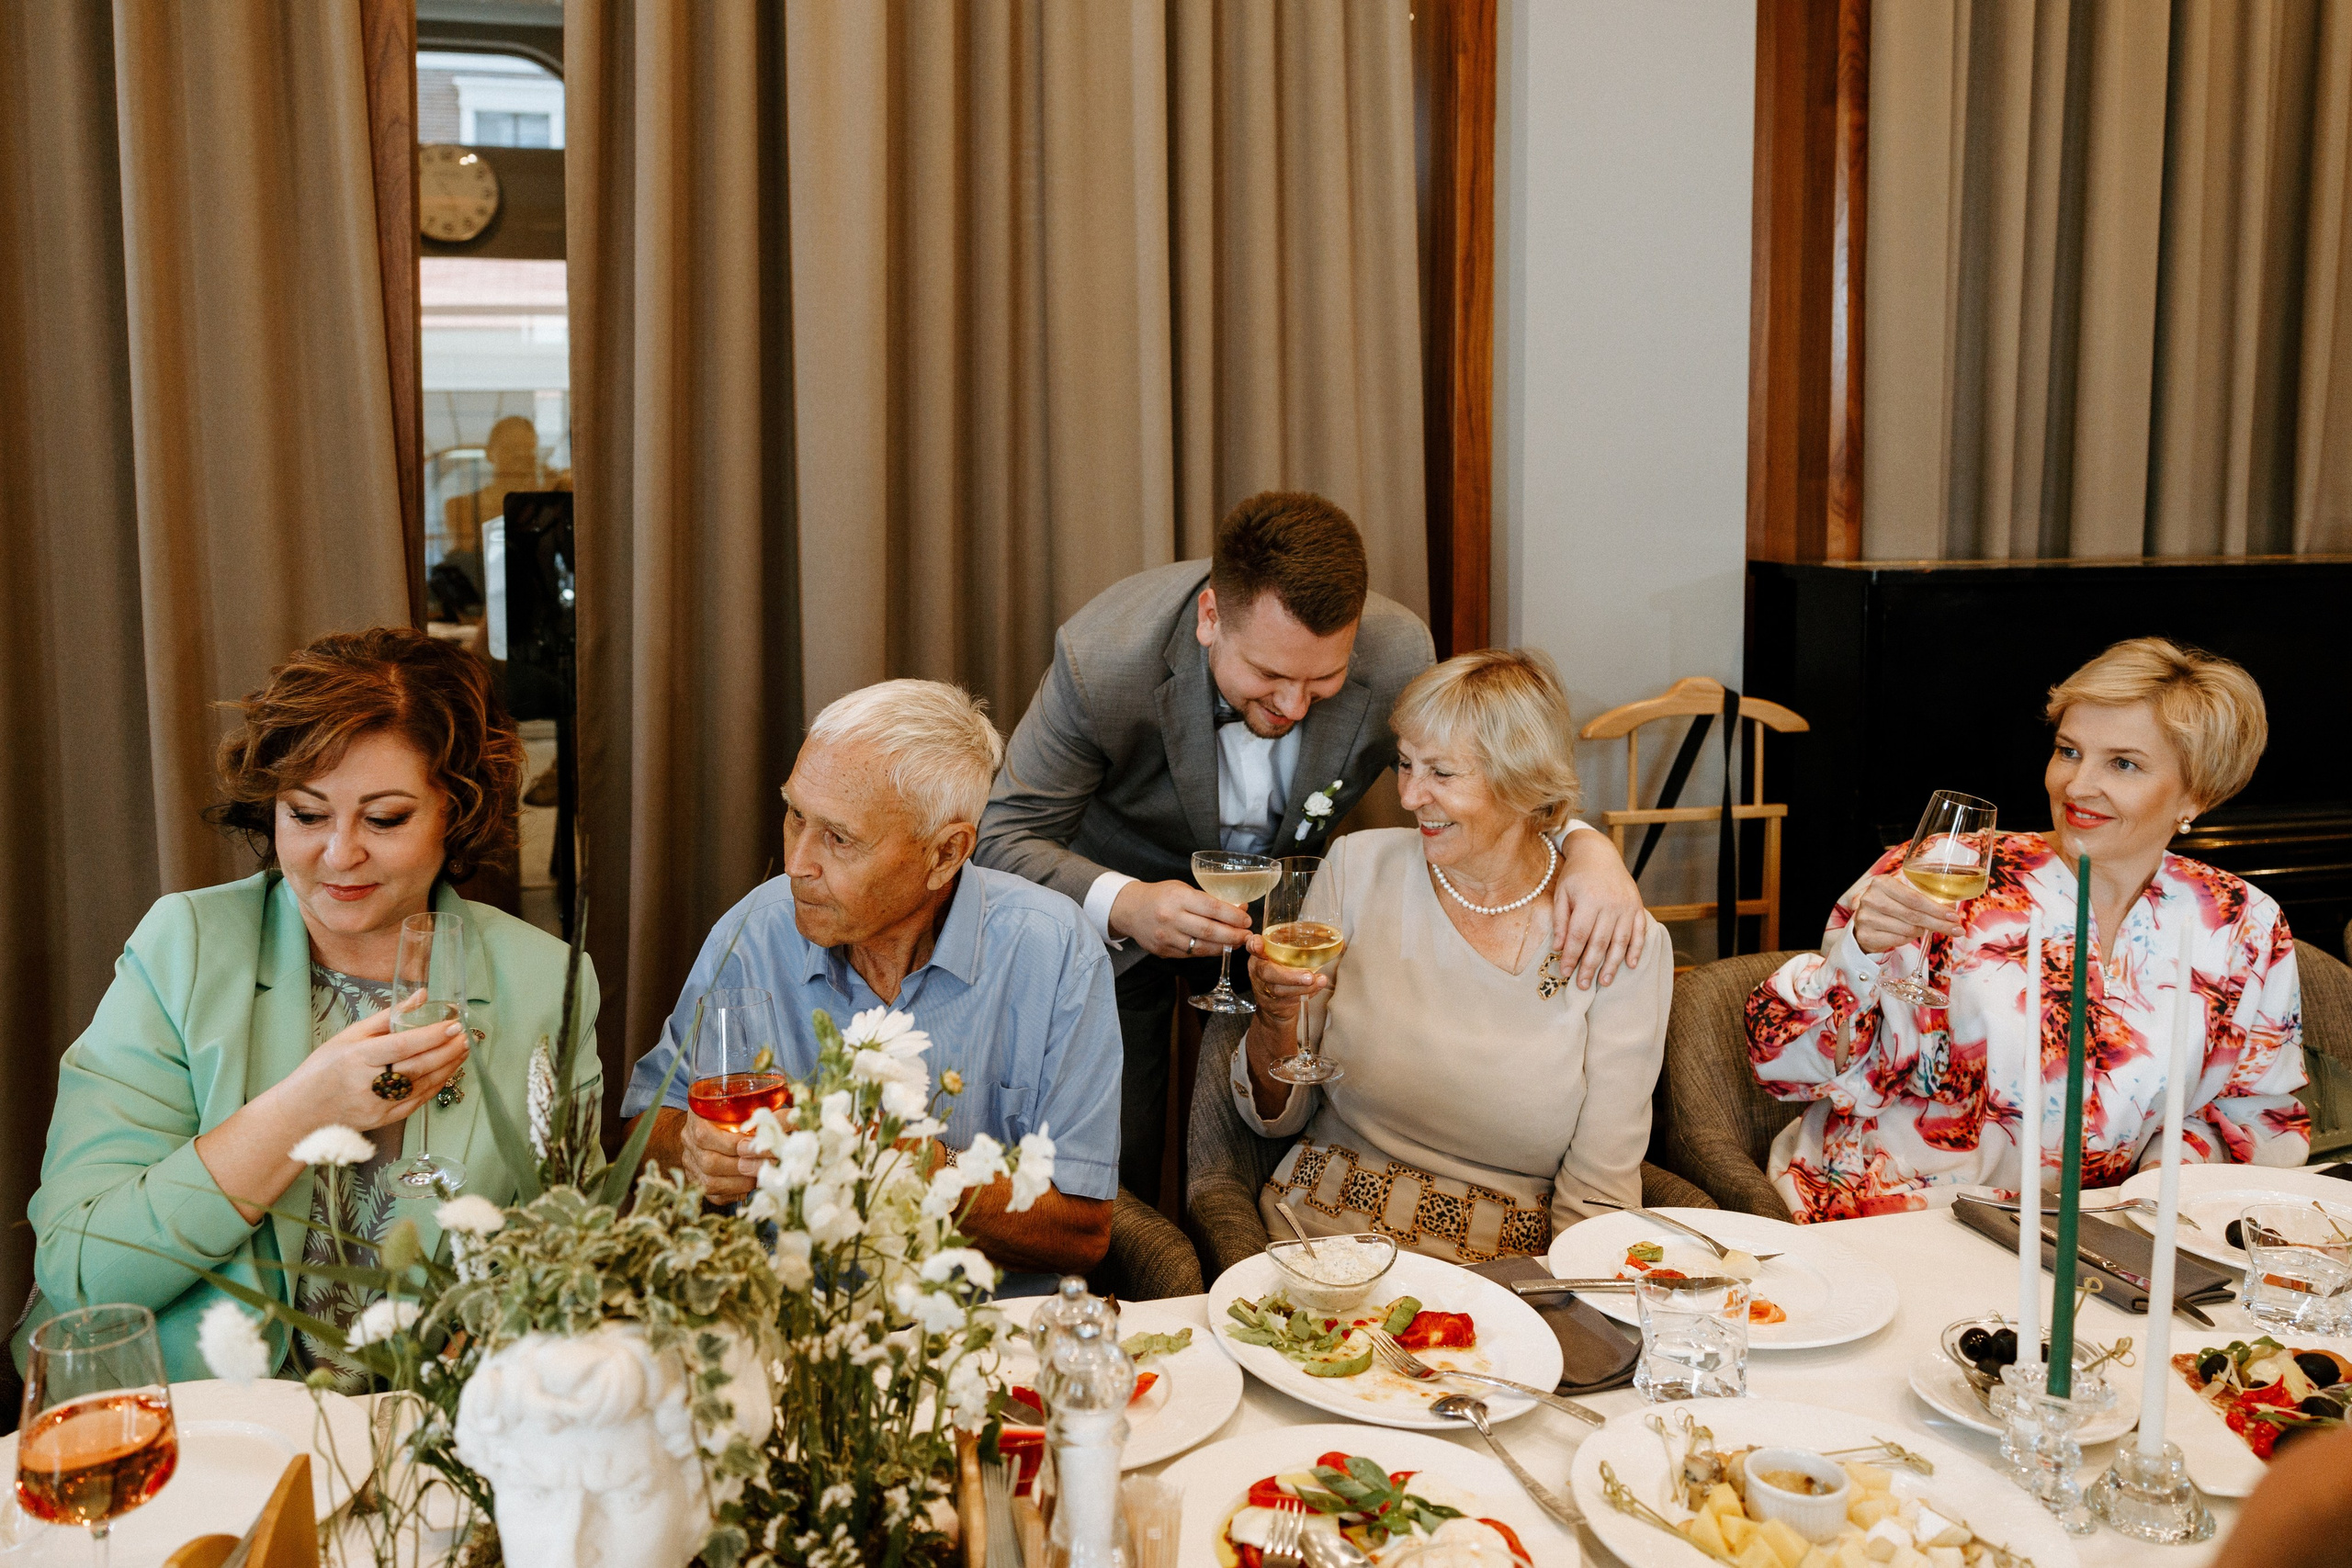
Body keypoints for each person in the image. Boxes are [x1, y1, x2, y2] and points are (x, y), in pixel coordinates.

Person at [977, 491, 1647, 1201]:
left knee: (1268, 1129)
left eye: (1322, 679)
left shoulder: (1397, 653)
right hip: (1121, 917)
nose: (1295, 707)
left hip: (1284, 926)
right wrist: (1126, 903)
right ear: (1211, 619)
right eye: (1269, 676)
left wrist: (1581, 844)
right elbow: (1001, 834)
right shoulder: (1103, 657)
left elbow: (1481, 774)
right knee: (1117, 1156)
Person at [19, 627, 599, 1383]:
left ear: (455, 812)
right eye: (307, 813)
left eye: (385, 818)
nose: (339, 853)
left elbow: (575, 1255)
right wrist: (302, 1109)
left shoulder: (546, 980)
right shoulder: (186, 948)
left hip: (421, 1435)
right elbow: (83, 1270)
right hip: (189, 1425)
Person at [1748, 637, 2305, 1223]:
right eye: (2069, 751)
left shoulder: (2241, 922)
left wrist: (2150, 1203)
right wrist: (1860, 959)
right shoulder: (1944, 872)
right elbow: (1786, 1066)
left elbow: (2249, 1114)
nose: (2077, 785)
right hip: (1895, 1212)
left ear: (2197, 793)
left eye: (2123, 763)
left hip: (2099, 1240)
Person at [624, 679, 1122, 1288]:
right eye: (795, 815)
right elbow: (643, 1131)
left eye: (838, 837)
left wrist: (925, 1169)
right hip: (788, 1326)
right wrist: (689, 1149)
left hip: (983, 1341)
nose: (797, 864)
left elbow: (1084, 1230)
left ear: (945, 853)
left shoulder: (1054, 950)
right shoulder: (754, 935)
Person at [1228, 649, 1673, 1260]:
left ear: (1522, 783)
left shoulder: (1617, 937)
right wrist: (1275, 1019)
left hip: (1504, 1273)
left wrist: (1575, 1317)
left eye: (1441, 773)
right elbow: (1275, 1114)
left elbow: (1598, 1196)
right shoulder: (1358, 867)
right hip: (1325, 1235)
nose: (1410, 796)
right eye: (1406, 764)